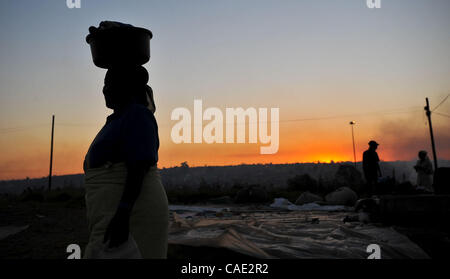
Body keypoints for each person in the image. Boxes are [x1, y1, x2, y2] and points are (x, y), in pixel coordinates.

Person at [83, 22, 168, 259]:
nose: (104, 90)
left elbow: (139, 166)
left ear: (125, 86)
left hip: (132, 214)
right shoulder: (121, 118)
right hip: (115, 212)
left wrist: (122, 214)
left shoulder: (137, 114)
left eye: (108, 84)